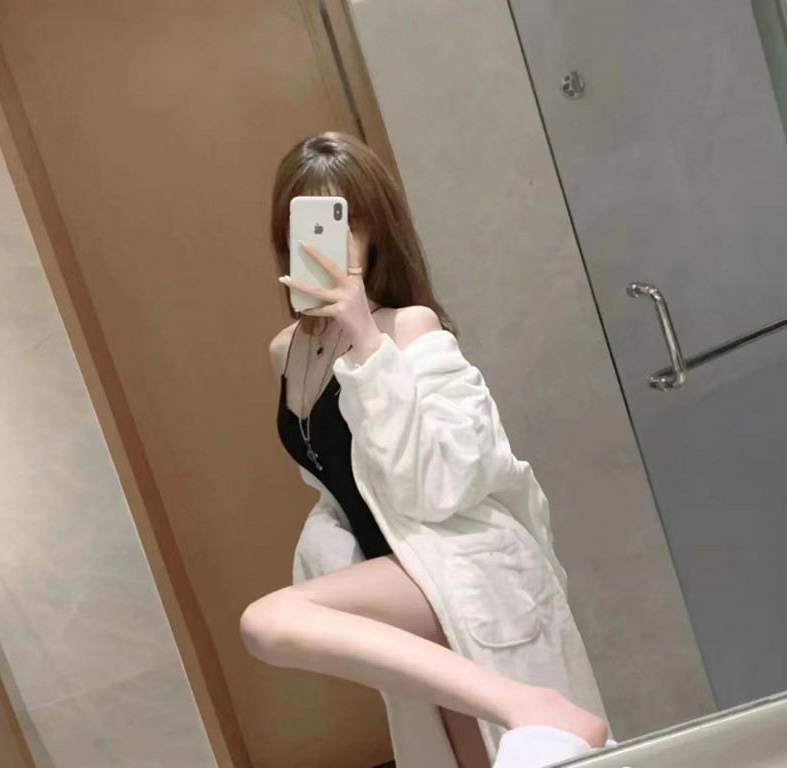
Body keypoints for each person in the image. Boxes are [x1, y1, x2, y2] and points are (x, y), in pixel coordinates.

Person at [240, 132, 611, 768]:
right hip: (399, 580)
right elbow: (339, 483)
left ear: (375, 230)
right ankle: (527, 707)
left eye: (347, 219)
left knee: (268, 622)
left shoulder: (409, 327)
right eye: (312, 219)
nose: (332, 239)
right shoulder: (286, 353)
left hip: (454, 562)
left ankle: (530, 703)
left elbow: (441, 484)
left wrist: (365, 337)